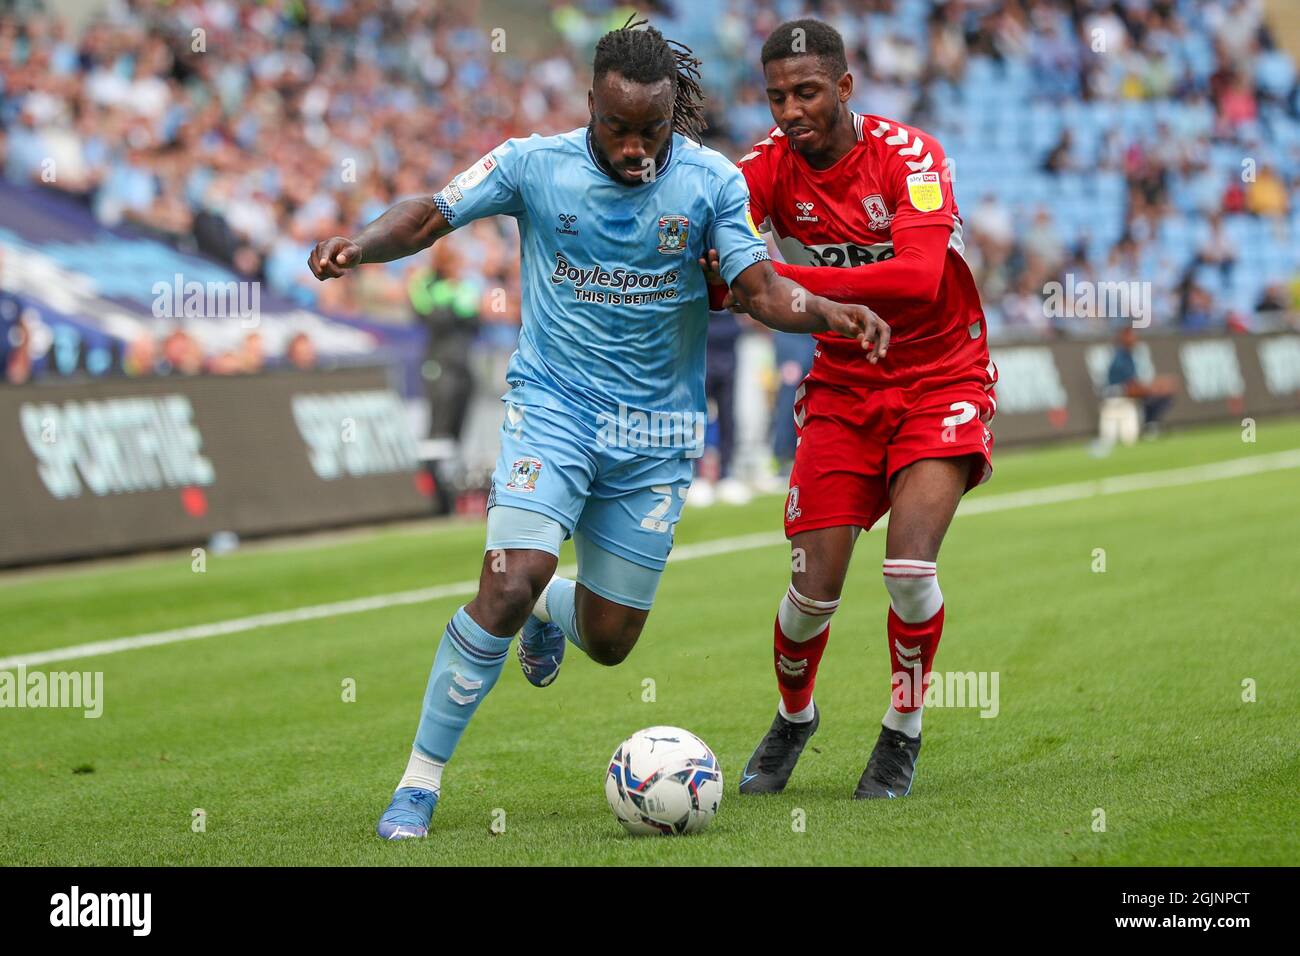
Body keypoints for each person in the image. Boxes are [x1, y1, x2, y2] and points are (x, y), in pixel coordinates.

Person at [308, 16, 888, 840]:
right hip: (554, 409)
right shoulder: (530, 164)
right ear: (590, 104)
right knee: (506, 583)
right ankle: (418, 785)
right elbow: (430, 216)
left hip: (656, 437)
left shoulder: (710, 183)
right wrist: (357, 247)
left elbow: (758, 290)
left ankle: (552, 610)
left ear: (670, 115)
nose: (634, 149)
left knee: (612, 641)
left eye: (651, 129)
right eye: (616, 128)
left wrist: (827, 308)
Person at [721, 19, 997, 800]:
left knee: (909, 568)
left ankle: (902, 730)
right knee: (810, 594)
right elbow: (717, 257)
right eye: (776, 96)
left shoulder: (911, 157)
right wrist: (746, 276)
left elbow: (915, 278)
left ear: (844, 88)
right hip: (844, 386)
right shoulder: (765, 169)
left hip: (941, 376)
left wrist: (776, 279)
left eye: (807, 92)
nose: (790, 110)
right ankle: (794, 716)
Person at [1106, 326, 1176, 435]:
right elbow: (1128, 383)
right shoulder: (1119, 357)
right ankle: (1149, 424)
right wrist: (1151, 389)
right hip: (1117, 390)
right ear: (1123, 338)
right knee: (1153, 393)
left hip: (1131, 387)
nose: (1134, 338)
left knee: (1164, 390)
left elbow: (1137, 379)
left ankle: (1151, 423)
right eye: (1131, 336)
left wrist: (1155, 386)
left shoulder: (1132, 355)